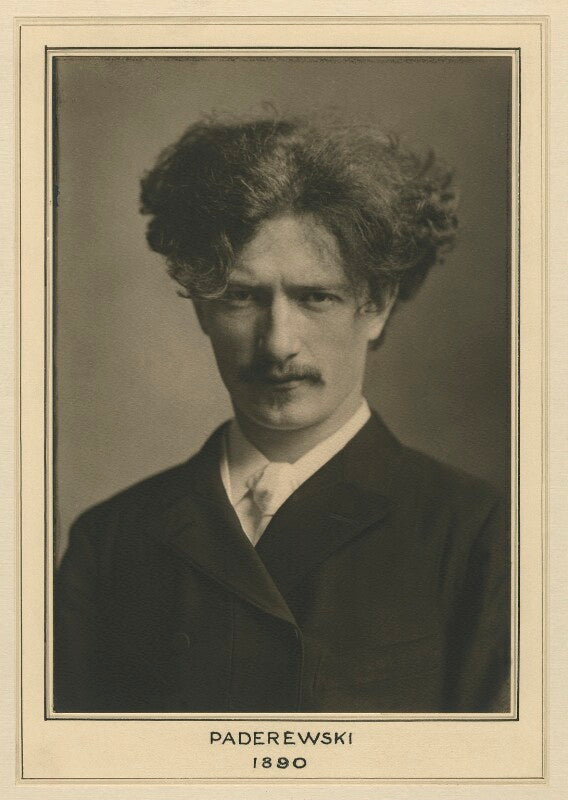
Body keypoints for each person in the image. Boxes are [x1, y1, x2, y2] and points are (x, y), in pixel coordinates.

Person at [54, 115, 510, 713]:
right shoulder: (111, 542)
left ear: (376, 306)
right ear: (201, 309)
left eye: (316, 297)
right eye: (242, 297)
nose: (277, 344)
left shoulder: (478, 533)